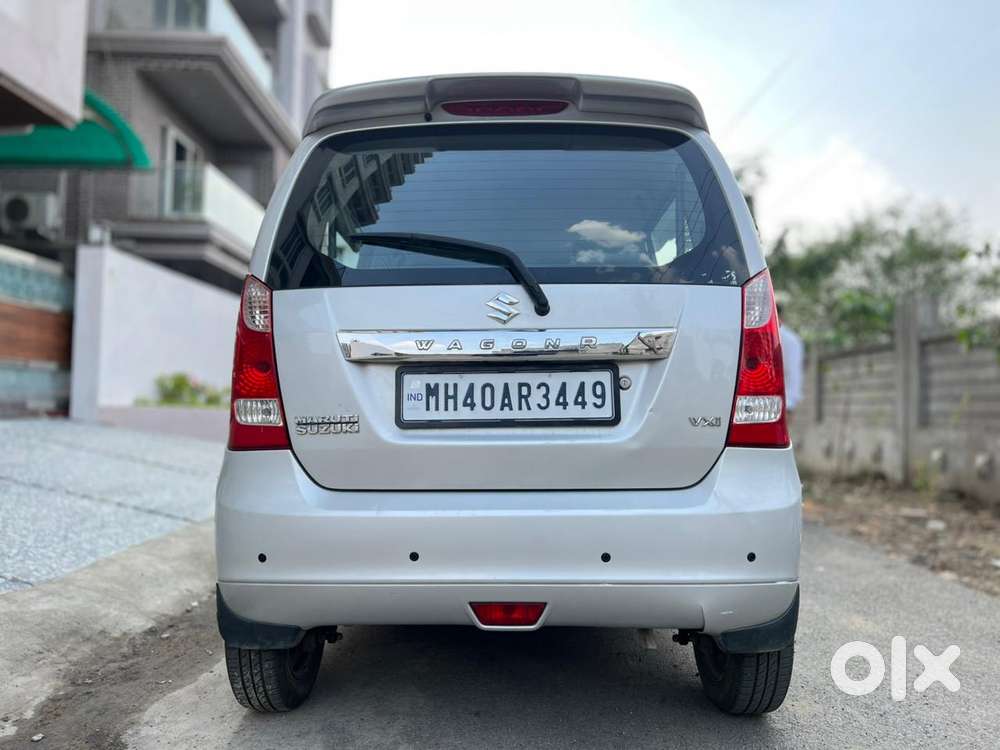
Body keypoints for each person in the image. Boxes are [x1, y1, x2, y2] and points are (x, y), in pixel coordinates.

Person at [776, 300, 804, 418]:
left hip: (783, 404)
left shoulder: (790, 340)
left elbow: (792, 373)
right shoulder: (792, 339)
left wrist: (788, 405)